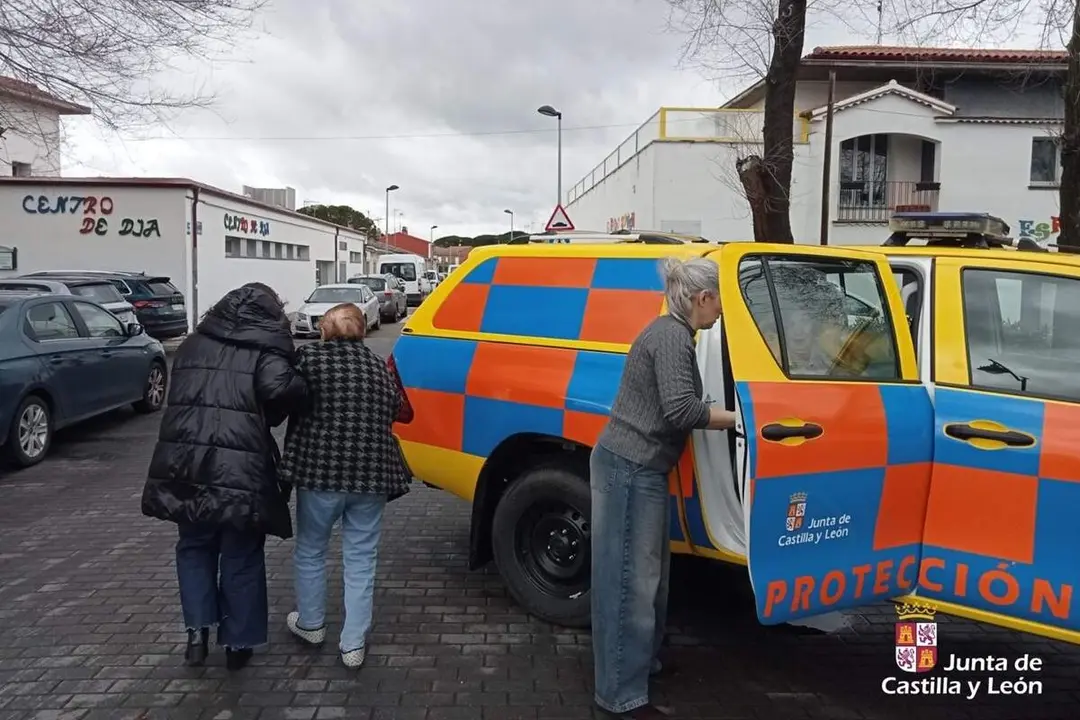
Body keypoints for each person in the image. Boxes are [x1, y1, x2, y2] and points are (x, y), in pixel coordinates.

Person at [590, 256, 737, 719]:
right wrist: (738, 419)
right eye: (720, 302)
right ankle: (619, 698)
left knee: (648, 580)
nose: (721, 312)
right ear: (702, 297)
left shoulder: (671, 332)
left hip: (635, 468)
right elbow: (680, 411)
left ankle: (641, 665)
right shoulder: (672, 336)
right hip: (630, 470)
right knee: (630, 585)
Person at [141, 282, 308, 671]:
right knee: (241, 553)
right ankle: (238, 643)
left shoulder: (193, 344)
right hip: (240, 466)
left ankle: (197, 632)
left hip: (184, 462)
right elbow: (281, 390)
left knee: (194, 546)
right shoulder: (264, 349)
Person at [278, 302, 412, 669]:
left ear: (325, 329)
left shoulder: (310, 360)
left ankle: (311, 624)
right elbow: (398, 410)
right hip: (371, 478)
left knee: (310, 550)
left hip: (320, 475)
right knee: (361, 558)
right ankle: (353, 644)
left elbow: (286, 397)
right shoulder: (378, 365)